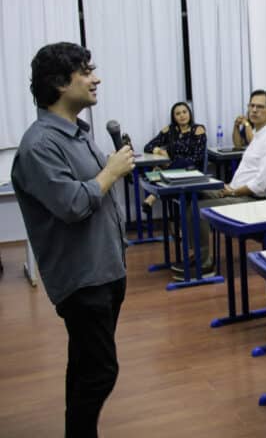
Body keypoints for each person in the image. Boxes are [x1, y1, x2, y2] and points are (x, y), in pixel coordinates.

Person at [11, 42, 135, 438]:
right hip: (82, 279)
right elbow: (73, 204)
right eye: (86, 71)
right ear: (60, 83)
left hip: (105, 269)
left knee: (85, 365)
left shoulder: (77, 135)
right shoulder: (39, 145)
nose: (96, 79)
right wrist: (111, 172)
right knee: (100, 371)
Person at [182, 89, 266, 279]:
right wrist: (228, 188)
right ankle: (198, 254)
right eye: (251, 106)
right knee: (192, 195)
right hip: (235, 191)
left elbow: (261, 185)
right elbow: (239, 147)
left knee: (198, 208)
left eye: (260, 107)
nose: (254, 110)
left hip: (250, 199)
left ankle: (205, 265)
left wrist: (233, 192)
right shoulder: (259, 133)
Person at [141, 101, 207, 213]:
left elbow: (197, 158)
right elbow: (148, 146)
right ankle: (158, 181)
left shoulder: (198, 129)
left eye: (184, 112)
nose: (182, 115)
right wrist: (159, 151)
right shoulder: (170, 130)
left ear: (189, 113)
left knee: (183, 162)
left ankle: (153, 195)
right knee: (168, 166)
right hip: (173, 171)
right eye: (178, 113)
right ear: (174, 117)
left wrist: (170, 164)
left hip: (192, 171)